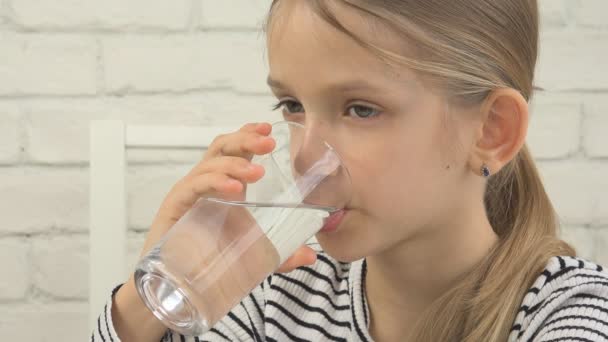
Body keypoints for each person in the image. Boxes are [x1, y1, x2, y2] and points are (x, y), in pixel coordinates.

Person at [91, 0, 608, 341]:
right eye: (291, 105)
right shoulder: (277, 296)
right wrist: (142, 308)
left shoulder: (569, 314)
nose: (303, 156)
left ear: (491, 131)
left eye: (360, 109)